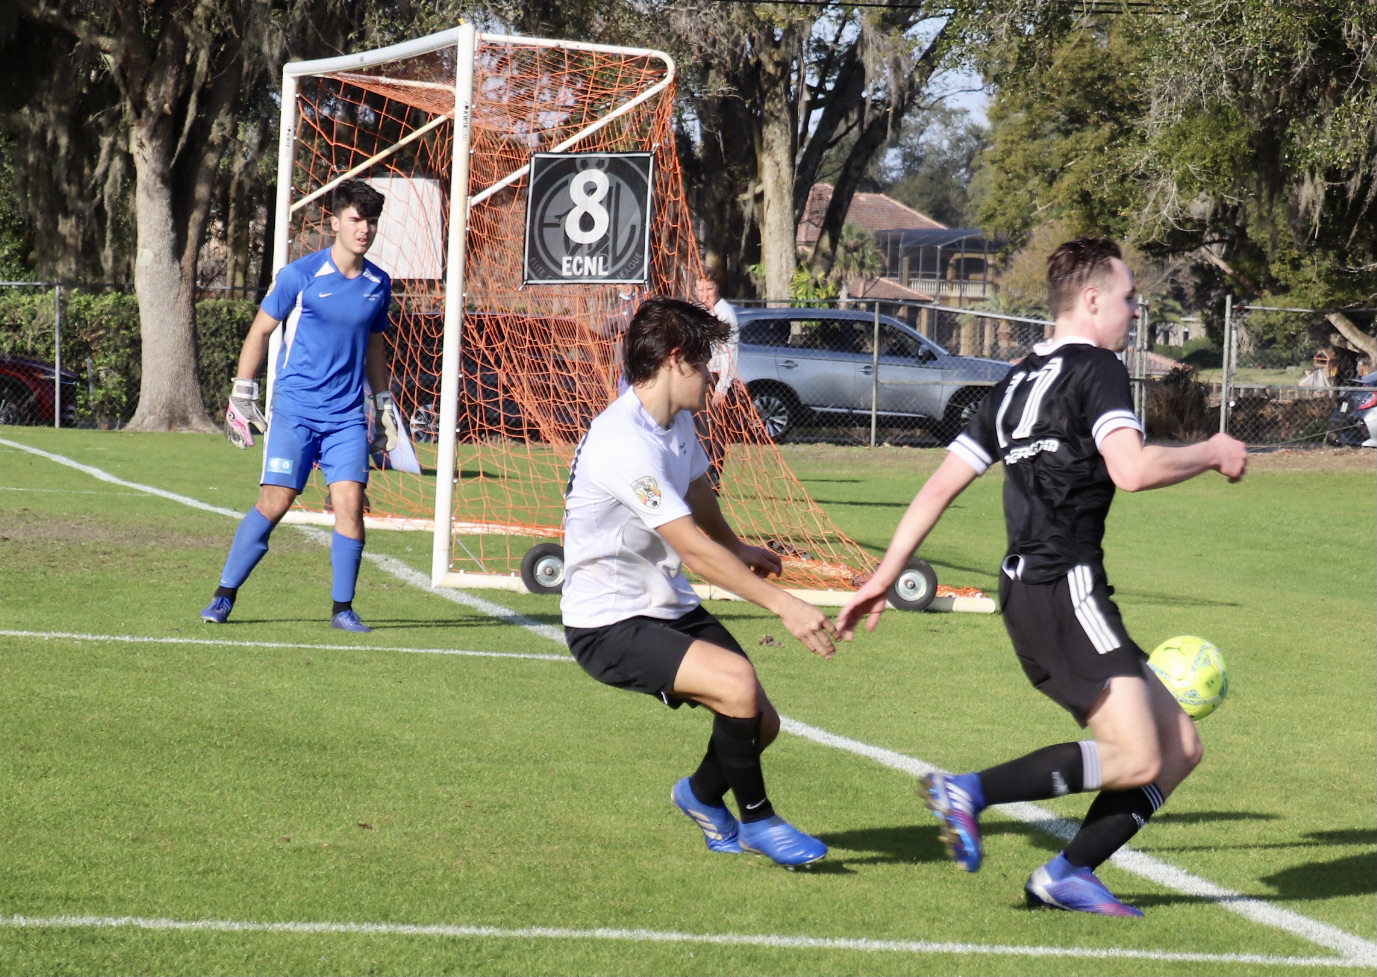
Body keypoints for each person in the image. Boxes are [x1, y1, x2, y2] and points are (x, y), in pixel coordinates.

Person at [836, 237, 1249, 916]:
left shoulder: (1013, 381)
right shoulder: (1097, 369)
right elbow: (1131, 469)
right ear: (1090, 301)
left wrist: (882, 574)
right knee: (1139, 756)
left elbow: (939, 485)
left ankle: (1066, 872)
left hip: (1030, 589)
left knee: (1179, 744)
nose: (1133, 308)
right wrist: (1212, 449)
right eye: (1126, 296)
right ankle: (968, 790)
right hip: (1065, 585)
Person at [561, 296, 838, 867]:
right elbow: (691, 548)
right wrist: (784, 605)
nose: (715, 374)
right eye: (708, 361)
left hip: (662, 603)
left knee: (761, 720)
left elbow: (694, 491)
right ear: (674, 360)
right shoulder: (623, 442)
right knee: (736, 680)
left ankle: (701, 796)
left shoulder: (676, 421)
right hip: (608, 621)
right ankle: (758, 820)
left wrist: (737, 545)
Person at [199, 179, 398, 632]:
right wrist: (242, 391)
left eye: (371, 221)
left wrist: (382, 401)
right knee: (276, 501)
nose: (364, 229)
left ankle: (342, 610)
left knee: (350, 502)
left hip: (346, 416)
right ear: (335, 223)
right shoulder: (300, 275)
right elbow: (260, 331)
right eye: (355, 219)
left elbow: (373, 346)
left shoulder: (378, 283)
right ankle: (224, 595)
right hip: (296, 410)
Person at [693, 274, 739, 488]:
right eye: (700, 289)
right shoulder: (699, 311)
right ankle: (700, 477)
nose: (704, 294)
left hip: (717, 378)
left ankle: (712, 479)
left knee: (714, 431)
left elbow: (731, 352)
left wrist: (722, 387)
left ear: (717, 288)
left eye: (708, 289)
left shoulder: (725, 313)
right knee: (700, 430)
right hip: (701, 377)